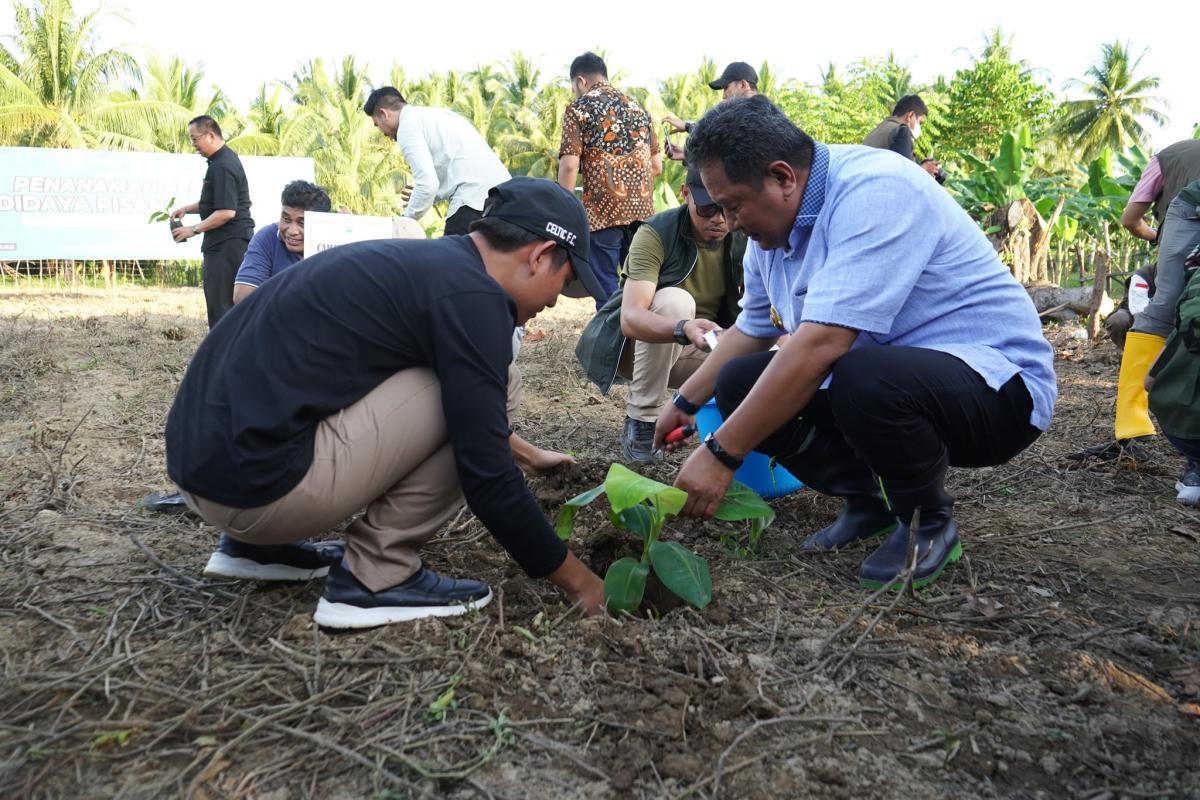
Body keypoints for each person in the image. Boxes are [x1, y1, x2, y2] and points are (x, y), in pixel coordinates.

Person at [165, 177, 609, 627]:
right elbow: (486, 474)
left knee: (461, 382)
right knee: (503, 379)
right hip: (256, 491)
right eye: (565, 280)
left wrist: (527, 453)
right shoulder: (475, 298)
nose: (555, 301)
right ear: (539, 255)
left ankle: (255, 550)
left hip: (205, 473)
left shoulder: (425, 265)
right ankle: (376, 575)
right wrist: (583, 583)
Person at [656, 96, 1056, 590]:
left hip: (997, 391)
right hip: (890, 383)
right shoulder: (770, 238)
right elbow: (751, 330)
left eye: (735, 205)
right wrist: (685, 400)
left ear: (783, 177)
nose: (729, 222)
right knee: (739, 379)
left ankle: (925, 520)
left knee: (860, 375)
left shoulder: (876, 191)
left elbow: (822, 344)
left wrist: (721, 454)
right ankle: (871, 500)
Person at [576, 168, 745, 462]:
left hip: (701, 349)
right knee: (675, 301)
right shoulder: (657, 233)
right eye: (707, 208)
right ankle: (642, 424)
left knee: (764, 350)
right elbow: (630, 318)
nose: (718, 218)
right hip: (638, 348)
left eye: (726, 207)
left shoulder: (745, 238)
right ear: (686, 194)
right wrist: (683, 328)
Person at [1074, 142, 1200, 461]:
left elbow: (1132, 219)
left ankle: (1132, 427)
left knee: (1164, 310)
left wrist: (1165, 238)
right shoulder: (1172, 161)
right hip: (1188, 216)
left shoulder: (1168, 157)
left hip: (1180, 225)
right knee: (1170, 312)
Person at [558, 52, 662, 307]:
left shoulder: (579, 109)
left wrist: (562, 208)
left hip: (602, 214)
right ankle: (639, 339)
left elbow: (570, 166)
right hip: (643, 215)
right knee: (639, 283)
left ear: (580, 81)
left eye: (574, 88)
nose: (575, 93)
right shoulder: (639, 107)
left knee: (605, 285)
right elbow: (657, 166)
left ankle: (613, 342)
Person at [364, 86, 511, 236]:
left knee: (450, 258)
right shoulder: (437, 114)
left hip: (473, 201)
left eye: (377, 125)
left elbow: (428, 185)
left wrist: (404, 223)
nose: (382, 133)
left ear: (384, 114)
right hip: (504, 198)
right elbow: (456, 167)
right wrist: (425, 195)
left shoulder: (407, 127)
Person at [170, 115, 255, 329]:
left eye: (195, 139)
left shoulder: (222, 166)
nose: (193, 145)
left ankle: (222, 357)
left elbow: (226, 211)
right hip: (231, 243)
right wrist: (187, 209)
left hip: (227, 245)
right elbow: (216, 203)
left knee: (221, 307)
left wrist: (193, 229)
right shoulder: (221, 161)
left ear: (210, 135)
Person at [1148, 238, 1200, 505]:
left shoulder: (1188, 312)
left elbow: (1148, 382)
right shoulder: (1143, 276)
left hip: (1186, 430)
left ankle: (1196, 466)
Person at [232, 180, 332, 304]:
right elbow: (242, 296)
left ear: (322, 223)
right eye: (286, 219)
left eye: (302, 223)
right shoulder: (267, 237)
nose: (292, 231)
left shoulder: (336, 242)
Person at [662, 62, 759, 161]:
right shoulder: (744, 116)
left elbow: (722, 136)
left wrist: (688, 126)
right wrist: (687, 155)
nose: (723, 96)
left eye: (726, 88)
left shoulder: (760, 116)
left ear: (743, 85)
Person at [1102, 262, 1156, 350]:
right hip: (1134, 312)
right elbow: (1137, 310)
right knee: (1118, 320)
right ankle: (1126, 350)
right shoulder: (1143, 275)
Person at [863, 95, 928, 162]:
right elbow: (903, 170)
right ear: (910, 116)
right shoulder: (902, 132)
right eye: (920, 122)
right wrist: (923, 169)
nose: (919, 127)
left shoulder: (875, 131)